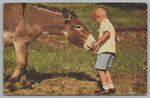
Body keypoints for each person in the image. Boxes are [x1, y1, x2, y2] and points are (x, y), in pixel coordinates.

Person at [92, 7, 116, 94]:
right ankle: (111, 87)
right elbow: (108, 40)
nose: (97, 22)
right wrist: (99, 48)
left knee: (100, 69)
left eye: (96, 20)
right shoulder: (110, 24)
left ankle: (105, 88)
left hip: (105, 51)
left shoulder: (104, 23)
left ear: (99, 17)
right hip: (110, 51)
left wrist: (97, 42)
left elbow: (107, 33)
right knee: (105, 69)